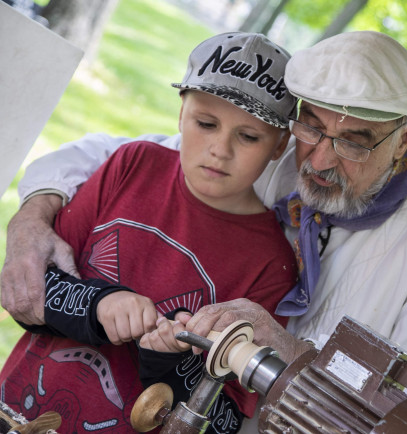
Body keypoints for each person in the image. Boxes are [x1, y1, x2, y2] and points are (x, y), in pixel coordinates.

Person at [1, 30, 407, 432]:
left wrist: (294, 355)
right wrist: (32, 218)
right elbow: (124, 158)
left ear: (405, 136)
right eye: (311, 127)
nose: (318, 161)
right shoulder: (261, 155)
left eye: (353, 144)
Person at [0, 32, 298, 433]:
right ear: (180, 114)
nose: (220, 149)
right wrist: (99, 306)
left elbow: (225, 424)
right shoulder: (132, 165)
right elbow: (27, 288)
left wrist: (170, 365)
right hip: (15, 410)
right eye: (206, 123)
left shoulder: (271, 261)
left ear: (280, 146)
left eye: (248, 136)